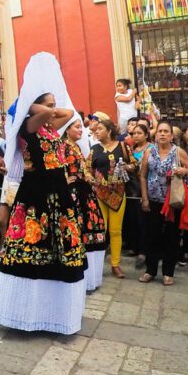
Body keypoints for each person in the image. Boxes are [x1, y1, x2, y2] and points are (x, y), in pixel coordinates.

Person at [0, 54, 86, 334]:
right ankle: (25, 310)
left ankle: (53, 310)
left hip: (58, 189)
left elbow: (70, 113)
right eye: (48, 105)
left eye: (53, 105)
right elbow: (45, 113)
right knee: (34, 245)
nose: (53, 110)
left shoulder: (49, 126)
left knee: (59, 246)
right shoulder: (28, 126)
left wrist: (49, 106)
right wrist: (31, 101)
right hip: (36, 190)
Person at [138, 120, 188, 285]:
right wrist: (145, 198)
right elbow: (142, 175)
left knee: (172, 237)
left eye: (165, 131)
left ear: (171, 135)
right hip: (153, 200)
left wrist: (184, 171)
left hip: (172, 201)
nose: (162, 134)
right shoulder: (149, 152)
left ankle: (168, 272)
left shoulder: (179, 152)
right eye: (159, 131)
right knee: (152, 236)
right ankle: (150, 270)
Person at [62, 116, 107, 291]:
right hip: (74, 195)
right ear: (67, 129)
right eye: (77, 127)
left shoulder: (77, 147)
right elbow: (60, 170)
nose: (80, 130)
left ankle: (91, 279)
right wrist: (67, 179)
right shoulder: (63, 147)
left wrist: (94, 179)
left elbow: (83, 171)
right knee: (79, 232)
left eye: (81, 127)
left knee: (93, 230)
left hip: (85, 194)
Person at [89, 118, 135, 279]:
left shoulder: (123, 146)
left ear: (109, 131)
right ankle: (98, 265)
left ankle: (115, 264)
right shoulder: (94, 149)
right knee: (100, 231)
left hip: (118, 195)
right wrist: (91, 179)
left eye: (100, 128)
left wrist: (126, 167)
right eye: (96, 130)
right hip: (99, 194)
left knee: (115, 231)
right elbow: (87, 169)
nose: (97, 131)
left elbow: (134, 164)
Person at [124, 122, 150, 268]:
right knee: (133, 218)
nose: (136, 136)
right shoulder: (131, 149)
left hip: (145, 188)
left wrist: (134, 167)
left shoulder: (150, 149)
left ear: (146, 135)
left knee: (143, 220)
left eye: (139, 133)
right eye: (134, 133)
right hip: (132, 188)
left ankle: (144, 251)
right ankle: (134, 247)